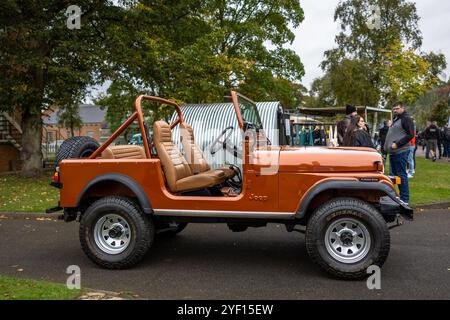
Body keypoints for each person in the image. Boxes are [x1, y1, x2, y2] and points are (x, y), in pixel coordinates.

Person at [384, 101, 414, 205]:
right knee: (395, 177)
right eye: (394, 109)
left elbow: (410, 135)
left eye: (397, 108)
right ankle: (398, 197)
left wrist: (397, 144)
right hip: (393, 152)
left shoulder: (406, 119)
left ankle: (405, 200)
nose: (395, 110)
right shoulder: (397, 118)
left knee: (401, 175)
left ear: (402, 108)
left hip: (401, 151)